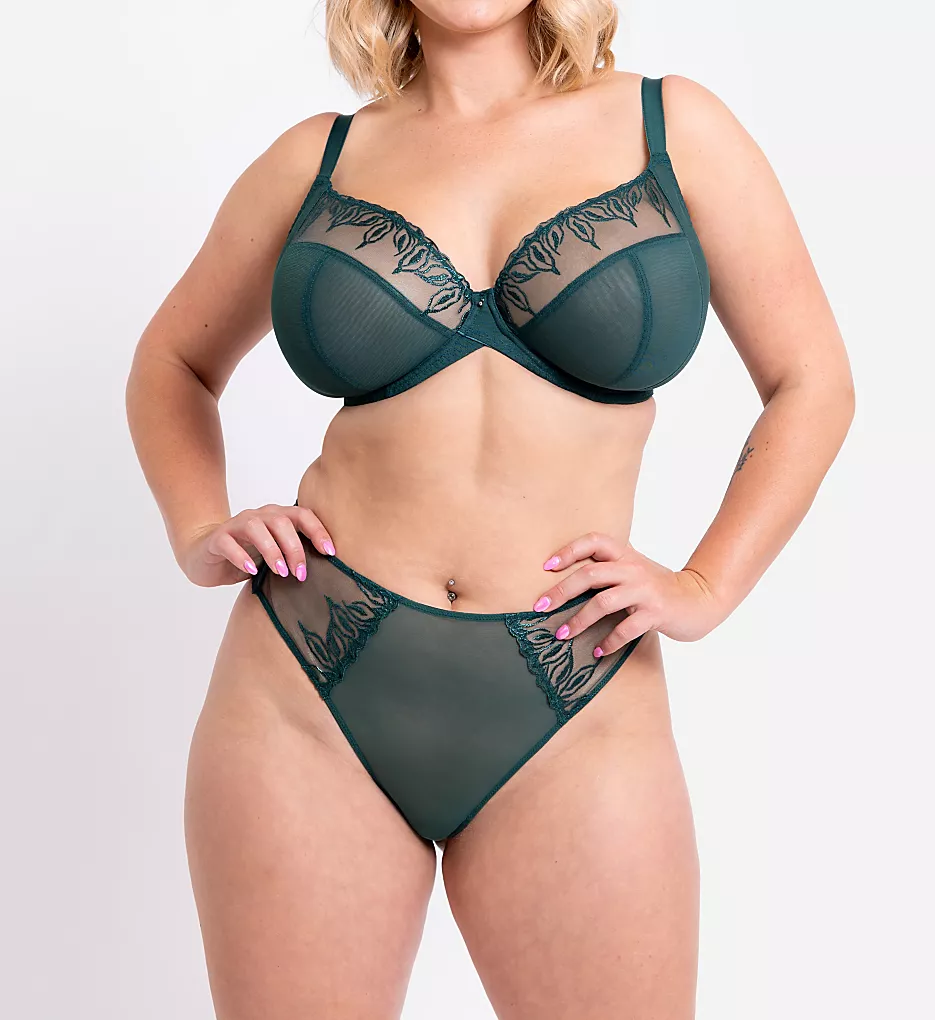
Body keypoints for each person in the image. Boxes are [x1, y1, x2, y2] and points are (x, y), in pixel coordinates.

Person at [125, 0, 855, 1013]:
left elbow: (811, 381)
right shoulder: (317, 160)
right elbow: (173, 361)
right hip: (306, 682)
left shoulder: (672, 128)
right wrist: (198, 527)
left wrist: (705, 584)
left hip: (576, 683)